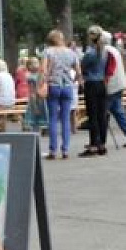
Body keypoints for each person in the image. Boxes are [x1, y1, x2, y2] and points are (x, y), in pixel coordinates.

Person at [41, 29, 78, 159]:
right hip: (68, 86)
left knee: (52, 118)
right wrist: (72, 80)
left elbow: (44, 70)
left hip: (53, 85)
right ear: (61, 38)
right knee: (65, 118)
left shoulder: (48, 52)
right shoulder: (71, 52)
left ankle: (53, 150)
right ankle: (65, 150)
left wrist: (45, 80)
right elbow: (78, 71)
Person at [101, 32, 126, 148]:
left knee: (103, 113)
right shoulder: (114, 50)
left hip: (111, 85)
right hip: (119, 83)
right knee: (118, 112)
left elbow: (107, 70)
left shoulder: (106, 51)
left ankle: (100, 140)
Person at [80, 26, 112, 157]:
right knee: (101, 114)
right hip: (101, 83)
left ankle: (94, 144)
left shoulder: (90, 53)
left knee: (92, 115)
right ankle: (102, 143)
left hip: (91, 83)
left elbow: (82, 66)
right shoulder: (105, 52)